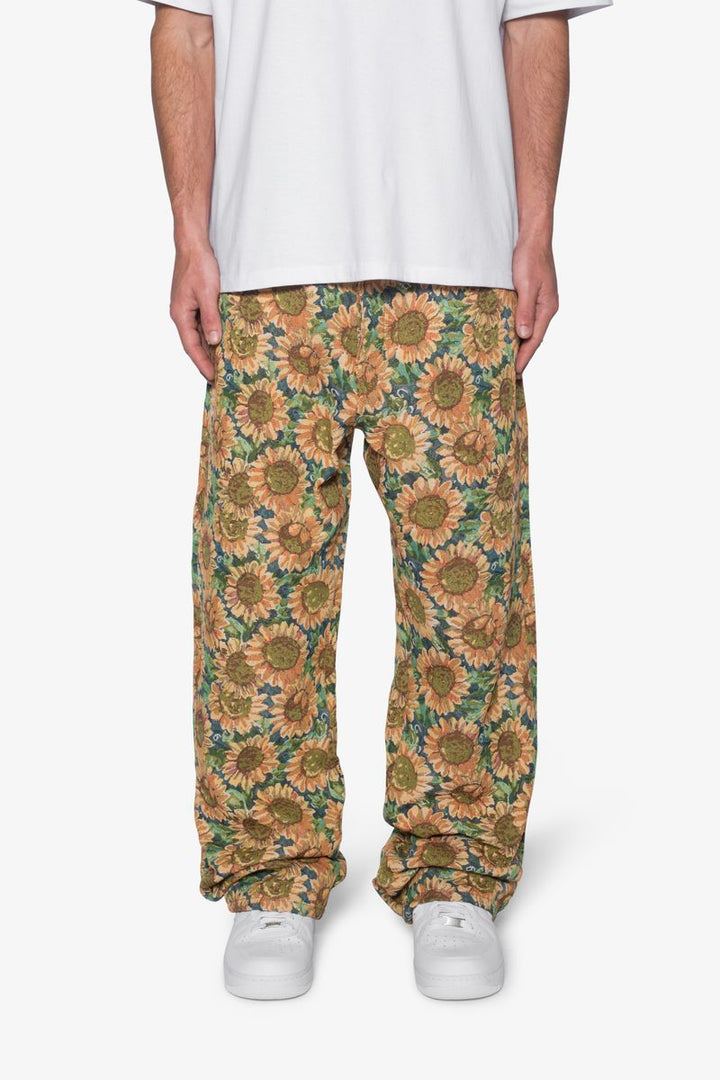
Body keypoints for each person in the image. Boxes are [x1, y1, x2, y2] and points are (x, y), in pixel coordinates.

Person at [138, 0, 612, 1001]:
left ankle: (458, 870)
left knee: (468, 591)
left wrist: (537, 229)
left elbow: (535, 22)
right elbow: (185, 27)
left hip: (459, 257)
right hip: (266, 265)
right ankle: (270, 871)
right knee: (259, 591)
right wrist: (187, 232)